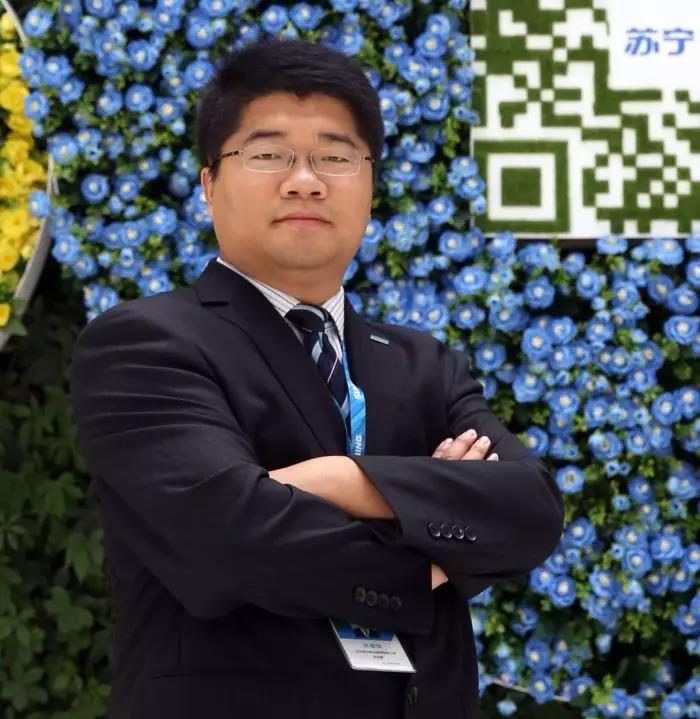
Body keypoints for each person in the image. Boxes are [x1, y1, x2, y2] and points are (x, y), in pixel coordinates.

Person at [69, 37, 564, 719]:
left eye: (335, 156)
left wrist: (336, 478)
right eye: (268, 154)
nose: (305, 180)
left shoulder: (423, 363)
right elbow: (229, 538)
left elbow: (529, 509)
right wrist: (430, 543)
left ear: (370, 184)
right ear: (209, 184)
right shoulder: (146, 344)